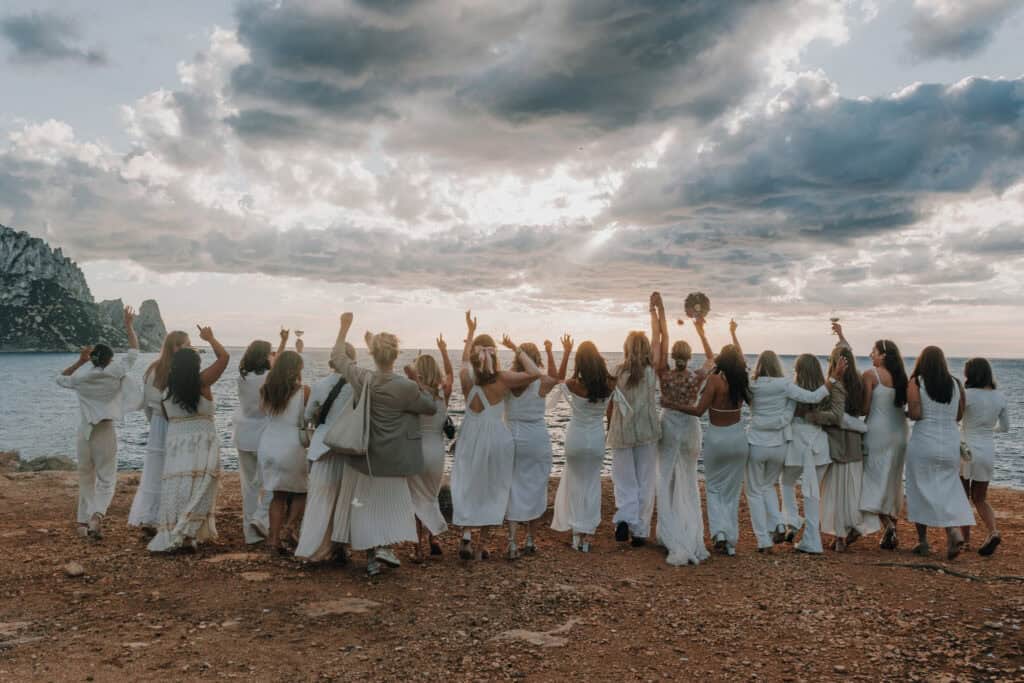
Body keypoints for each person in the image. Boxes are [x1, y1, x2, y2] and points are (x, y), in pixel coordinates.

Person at [330, 313, 439, 576]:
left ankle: (373, 557)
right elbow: (430, 406)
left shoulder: (363, 378)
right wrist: (417, 379)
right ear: (396, 355)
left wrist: (344, 328)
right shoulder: (406, 386)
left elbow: (338, 358)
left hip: (367, 455)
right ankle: (384, 549)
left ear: (372, 354)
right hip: (396, 458)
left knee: (367, 506)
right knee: (391, 507)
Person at [451, 311, 542, 561]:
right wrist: (515, 348)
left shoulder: (466, 376)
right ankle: (482, 546)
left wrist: (469, 332)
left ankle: (466, 535)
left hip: (471, 435)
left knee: (469, 483)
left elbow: (463, 359)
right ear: (493, 354)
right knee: (493, 488)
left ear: (474, 355)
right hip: (497, 438)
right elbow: (535, 373)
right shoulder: (502, 379)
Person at [57, 306, 140, 540]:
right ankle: (97, 516)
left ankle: (82, 523)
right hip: (104, 429)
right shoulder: (115, 371)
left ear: (92, 359)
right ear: (110, 358)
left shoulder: (81, 377)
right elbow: (134, 351)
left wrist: (79, 361)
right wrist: (128, 325)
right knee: (107, 478)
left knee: (86, 476)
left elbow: (59, 378)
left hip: (84, 431)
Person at [148, 325, 229, 552]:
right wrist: (211, 338)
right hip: (202, 441)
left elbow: (167, 417)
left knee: (177, 485)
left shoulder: (166, 393)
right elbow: (224, 358)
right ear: (195, 365)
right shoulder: (202, 383)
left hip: (176, 443)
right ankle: (188, 532)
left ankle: (175, 530)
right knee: (201, 485)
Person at [650, 292, 713, 565]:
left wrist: (658, 311)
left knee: (665, 478)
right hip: (690, 428)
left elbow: (661, 344)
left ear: (674, 356)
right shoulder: (696, 377)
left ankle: (669, 533)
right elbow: (713, 358)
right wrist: (701, 330)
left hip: (670, 427)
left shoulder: (663, 373)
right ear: (689, 358)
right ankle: (690, 533)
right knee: (688, 479)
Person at [746, 349, 830, 552]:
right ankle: (805, 533)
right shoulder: (789, 387)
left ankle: (787, 521)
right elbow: (815, 400)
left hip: (787, 445)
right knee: (811, 493)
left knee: (781, 484)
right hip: (812, 444)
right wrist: (833, 381)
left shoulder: (762, 385)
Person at [680, 320, 750, 556]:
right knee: (731, 491)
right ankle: (729, 539)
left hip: (717, 439)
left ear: (721, 361)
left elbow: (699, 411)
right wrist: (733, 333)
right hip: (739, 439)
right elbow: (740, 358)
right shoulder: (742, 380)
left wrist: (676, 406)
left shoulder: (714, 381)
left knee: (714, 488)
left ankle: (719, 533)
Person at [905, 346, 974, 559]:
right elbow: (959, 415)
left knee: (919, 488)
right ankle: (952, 531)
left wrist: (904, 412)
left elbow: (916, 413)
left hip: (924, 440)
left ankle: (923, 541)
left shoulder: (916, 381)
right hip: (949, 442)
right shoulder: (955, 384)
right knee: (949, 488)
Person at [549, 341, 618, 553]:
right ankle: (586, 536)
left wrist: (565, 351)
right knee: (592, 484)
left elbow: (556, 380)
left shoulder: (573, 384)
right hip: (596, 438)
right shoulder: (610, 384)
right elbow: (612, 414)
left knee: (576, 483)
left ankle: (575, 534)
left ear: (579, 362)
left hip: (576, 438)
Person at [813, 328, 877, 552]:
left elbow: (830, 413)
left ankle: (840, 536)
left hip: (836, 440)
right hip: (855, 441)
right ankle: (852, 526)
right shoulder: (859, 382)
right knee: (852, 488)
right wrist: (841, 335)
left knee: (836, 491)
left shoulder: (833, 384)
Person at [502, 333, 563, 559]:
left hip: (511, 437)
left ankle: (511, 543)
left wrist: (514, 348)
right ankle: (530, 539)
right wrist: (550, 352)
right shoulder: (540, 381)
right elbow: (556, 377)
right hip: (536, 438)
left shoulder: (508, 380)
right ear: (534, 358)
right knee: (536, 487)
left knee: (513, 488)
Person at [781, 354, 847, 554]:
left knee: (786, 482)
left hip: (797, 444)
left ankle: (792, 519)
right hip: (818, 444)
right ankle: (811, 537)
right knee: (812, 493)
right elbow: (836, 416)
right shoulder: (826, 389)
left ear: (799, 371)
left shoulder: (793, 391)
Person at [295, 350, 356, 563]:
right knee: (345, 500)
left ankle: (314, 548)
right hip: (348, 447)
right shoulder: (357, 387)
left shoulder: (320, 385)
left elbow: (308, 416)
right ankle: (341, 547)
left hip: (323, 447)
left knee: (320, 498)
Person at [128, 330, 190, 535]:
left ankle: (153, 517)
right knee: (172, 469)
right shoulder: (179, 369)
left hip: (158, 424)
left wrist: (154, 422)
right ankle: (167, 518)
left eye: (187, 345)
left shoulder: (153, 369)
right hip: (173, 424)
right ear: (173, 346)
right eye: (182, 345)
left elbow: (147, 403)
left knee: (158, 470)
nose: (186, 348)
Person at [607, 322, 661, 547]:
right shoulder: (652, 372)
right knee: (646, 481)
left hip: (622, 430)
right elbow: (659, 339)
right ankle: (639, 531)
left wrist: (608, 426)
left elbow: (609, 405)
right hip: (647, 431)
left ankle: (624, 518)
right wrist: (656, 313)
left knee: (624, 479)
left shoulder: (616, 372)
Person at [257, 350, 310, 554]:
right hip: (291, 445)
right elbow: (309, 417)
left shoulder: (266, 390)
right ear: (296, 369)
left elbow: (265, 413)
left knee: (277, 495)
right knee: (302, 490)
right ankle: (289, 527)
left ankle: (273, 540)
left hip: (269, 443)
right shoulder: (303, 391)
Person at [407, 336, 454, 562]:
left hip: (417, 447)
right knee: (431, 495)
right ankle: (433, 538)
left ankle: (417, 547)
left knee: (416, 497)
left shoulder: (414, 392)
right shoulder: (444, 392)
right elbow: (451, 374)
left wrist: (414, 376)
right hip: (436, 450)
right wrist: (444, 352)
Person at [860, 339, 910, 550]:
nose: (871, 355)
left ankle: (887, 524)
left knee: (871, 478)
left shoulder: (871, 375)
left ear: (883, 356)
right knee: (892, 480)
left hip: (877, 432)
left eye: (874, 351)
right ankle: (892, 531)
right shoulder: (902, 378)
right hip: (899, 432)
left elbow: (864, 408)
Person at [959, 358, 1010, 555]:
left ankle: (965, 540)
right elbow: (1005, 428)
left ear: (970, 374)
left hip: (966, 449)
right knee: (980, 497)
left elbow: (956, 418)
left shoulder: (967, 394)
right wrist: (988, 430)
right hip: (987, 448)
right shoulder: (1000, 397)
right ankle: (993, 531)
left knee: (963, 497)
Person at [232, 337, 280, 545]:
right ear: (265, 356)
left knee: (249, 487)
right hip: (265, 436)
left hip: (244, 435)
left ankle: (250, 534)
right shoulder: (269, 378)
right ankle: (260, 519)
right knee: (271, 483)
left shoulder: (242, 378)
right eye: (271, 352)